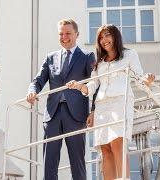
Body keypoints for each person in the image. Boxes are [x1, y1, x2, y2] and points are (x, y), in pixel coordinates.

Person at [66, 24, 155, 180]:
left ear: (115, 36)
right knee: (105, 148)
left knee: (118, 143)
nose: (104, 40)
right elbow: (92, 86)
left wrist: (147, 80)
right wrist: (79, 86)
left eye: (107, 35)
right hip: (102, 106)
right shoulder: (99, 61)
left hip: (120, 102)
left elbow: (139, 79)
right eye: (101, 37)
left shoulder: (129, 55)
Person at [26, 19, 95, 180]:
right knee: (49, 160)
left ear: (77, 34)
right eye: (61, 34)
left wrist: (93, 111)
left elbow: (95, 84)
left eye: (68, 33)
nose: (64, 37)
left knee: (77, 161)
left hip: (76, 115)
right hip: (53, 114)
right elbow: (38, 80)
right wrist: (32, 91)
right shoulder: (50, 57)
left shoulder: (86, 56)